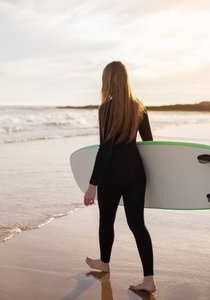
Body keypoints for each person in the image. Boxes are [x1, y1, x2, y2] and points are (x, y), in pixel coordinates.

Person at [83, 61, 156, 293]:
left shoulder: (105, 109)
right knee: (137, 225)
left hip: (112, 175)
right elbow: (150, 145)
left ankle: (105, 263)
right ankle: (149, 280)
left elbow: (105, 149)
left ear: (108, 81)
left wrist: (92, 184)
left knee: (107, 220)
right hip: (136, 173)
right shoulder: (139, 106)